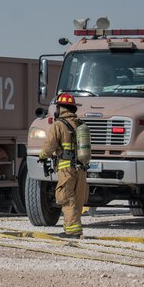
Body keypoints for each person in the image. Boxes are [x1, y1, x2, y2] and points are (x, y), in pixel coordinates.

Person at [37, 92, 88, 239]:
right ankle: (72, 227)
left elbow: (49, 146)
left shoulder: (58, 125)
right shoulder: (81, 124)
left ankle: (72, 231)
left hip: (66, 168)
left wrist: (42, 156)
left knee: (65, 197)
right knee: (77, 199)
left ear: (60, 108)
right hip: (82, 168)